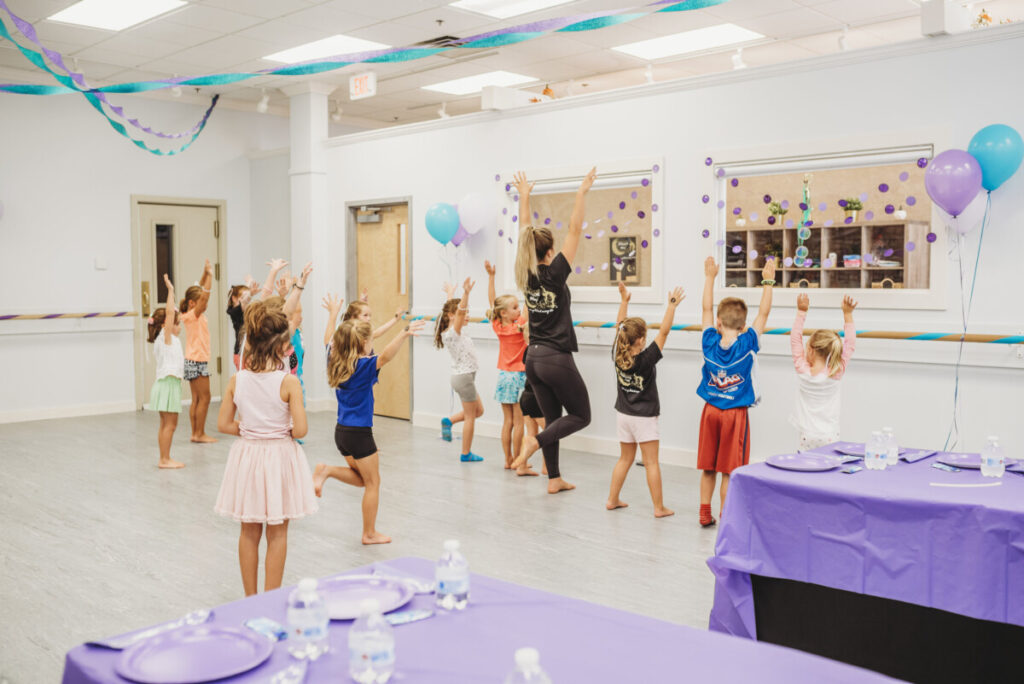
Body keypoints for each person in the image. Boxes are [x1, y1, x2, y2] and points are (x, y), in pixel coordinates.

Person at [214, 300, 317, 595]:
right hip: (279, 457)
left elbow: (223, 424)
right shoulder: (289, 383)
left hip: (247, 456)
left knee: (248, 531)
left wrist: (250, 430)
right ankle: (271, 598)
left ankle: (250, 598)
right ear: (281, 347)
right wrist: (277, 430)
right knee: (278, 532)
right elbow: (301, 430)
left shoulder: (237, 380)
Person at [510, 167, 597, 493]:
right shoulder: (556, 272)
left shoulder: (525, 275)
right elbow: (575, 228)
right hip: (555, 357)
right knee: (581, 415)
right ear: (550, 252)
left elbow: (524, 233)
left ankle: (555, 479)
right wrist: (581, 193)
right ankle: (534, 442)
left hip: (532, 359)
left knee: (554, 418)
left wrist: (524, 197)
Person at [314, 317, 426, 545]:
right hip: (359, 434)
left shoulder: (335, 361)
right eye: (370, 340)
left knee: (363, 480)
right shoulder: (362, 366)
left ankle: (328, 470)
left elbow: (328, 339)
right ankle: (369, 533)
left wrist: (333, 314)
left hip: (341, 433)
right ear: (363, 343)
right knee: (373, 483)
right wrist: (404, 333)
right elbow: (385, 356)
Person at [697, 256, 775, 527]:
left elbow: (705, 308)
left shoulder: (709, 340)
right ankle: (726, 515)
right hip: (734, 415)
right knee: (729, 471)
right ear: (743, 327)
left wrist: (709, 278)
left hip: (710, 412)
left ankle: (704, 512)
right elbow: (763, 315)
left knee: (708, 467)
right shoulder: (748, 343)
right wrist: (768, 282)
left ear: (718, 322)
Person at [606, 283, 684, 517]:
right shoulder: (646, 359)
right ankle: (659, 508)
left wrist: (624, 301)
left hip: (623, 415)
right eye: (645, 337)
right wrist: (672, 306)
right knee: (651, 463)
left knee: (625, 459)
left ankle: (612, 499)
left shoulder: (617, 353)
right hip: (644, 418)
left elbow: (620, 326)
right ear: (640, 340)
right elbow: (664, 332)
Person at [790, 294, 857, 450]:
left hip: (807, 435)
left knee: (805, 464)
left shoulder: (802, 369)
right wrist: (847, 314)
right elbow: (850, 344)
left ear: (811, 351)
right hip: (830, 435)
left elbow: (795, 340)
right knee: (828, 465)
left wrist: (801, 312)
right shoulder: (836, 371)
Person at [484, 259, 529, 471]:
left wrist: (491, 277)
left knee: (507, 421)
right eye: (514, 308)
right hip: (518, 376)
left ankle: (507, 459)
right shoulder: (519, 327)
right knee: (519, 422)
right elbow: (528, 307)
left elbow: (492, 303)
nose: (518, 310)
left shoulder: (498, 326)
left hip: (503, 376)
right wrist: (530, 286)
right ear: (504, 313)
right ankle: (518, 459)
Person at [436, 278, 485, 463]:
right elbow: (458, 310)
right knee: (471, 416)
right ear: (452, 316)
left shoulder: (453, 330)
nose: (467, 315)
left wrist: (450, 294)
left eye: (468, 313)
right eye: (464, 313)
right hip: (464, 378)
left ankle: (449, 421)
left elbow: (452, 309)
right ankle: (466, 453)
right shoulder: (453, 333)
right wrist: (466, 293)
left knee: (479, 411)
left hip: (464, 378)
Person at [147, 274, 185, 469]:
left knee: (165, 424)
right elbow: (170, 313)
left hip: (166, 384)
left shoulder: (168, 340)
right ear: (165, 325)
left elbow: (171, 315)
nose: (179, 326)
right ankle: (165, 459)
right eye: (176, 323)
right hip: (168, 384)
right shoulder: (165, 337)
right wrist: (170, 291)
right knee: (170, 424)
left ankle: (164, 458)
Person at [180, 259, 216, 443]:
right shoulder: (193, 315)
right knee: (205, 397)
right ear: (192, 303)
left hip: (191, 360)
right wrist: (211, 277)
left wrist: (206, 273)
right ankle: (199, 433)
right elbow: (205, 296)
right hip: (197, 360)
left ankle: (195, 433)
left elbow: (200, 288)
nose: (205, 305)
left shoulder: (189, 315)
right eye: (201, 302)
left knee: (196, 398)